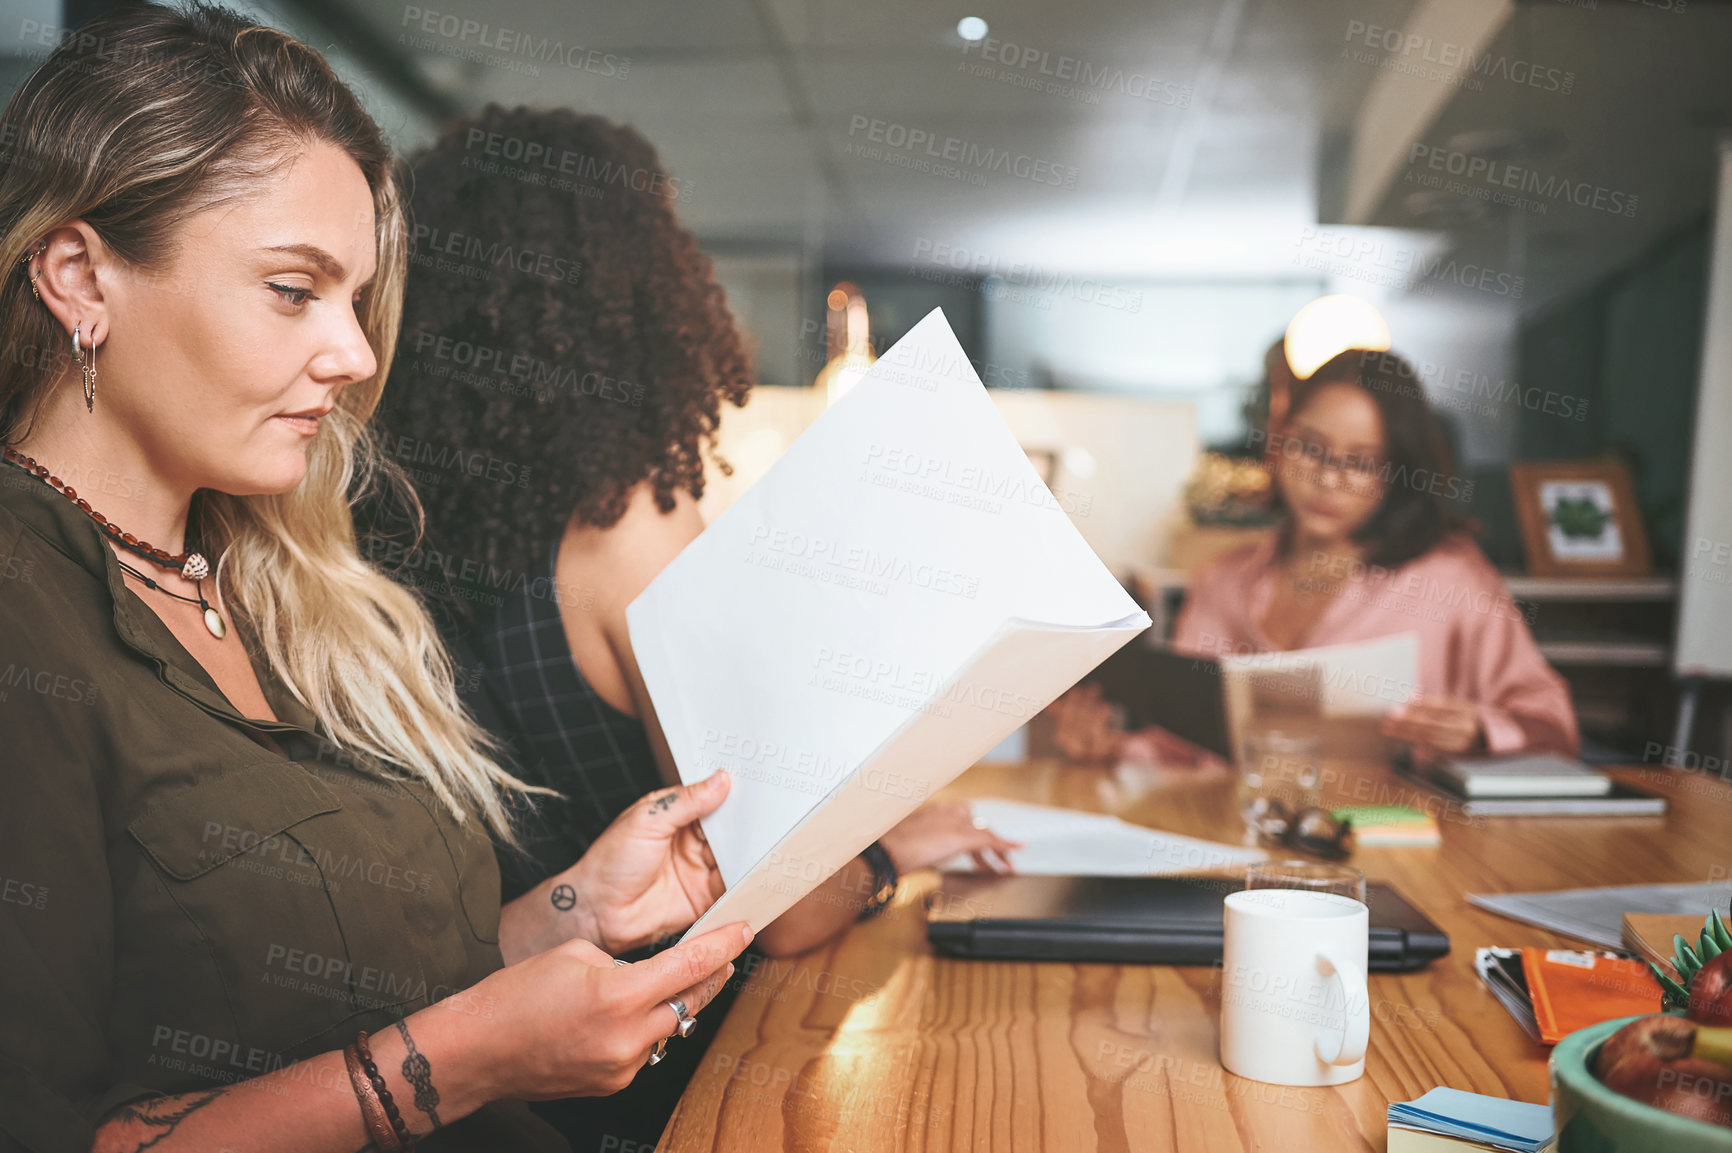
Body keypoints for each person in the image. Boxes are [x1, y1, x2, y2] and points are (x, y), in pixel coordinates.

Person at [0, 8, 752, 1153]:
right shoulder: (26, 609)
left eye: (356, 299)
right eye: (295, 291)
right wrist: (459, 1064)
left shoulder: (280, 583)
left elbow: (348, 992)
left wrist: (573, 911)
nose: (353, 354)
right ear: (79, 277)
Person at [366, 105, 1018, 1150]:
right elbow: (789, 906)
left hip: (481, 1052)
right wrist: (890, 855)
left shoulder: (393, 523)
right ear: (635, 292)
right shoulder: (627, 517)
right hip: (649, 1064)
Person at [1050, 348, 1579, 764]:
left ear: (1398, 474)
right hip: (1238, 843)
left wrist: (1479, 730)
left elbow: (1554, 727)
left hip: (1399, 851)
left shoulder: (1451, 577)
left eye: (1361, 463)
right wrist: (1112, 751)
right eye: (1310, 448)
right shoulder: (1226, 578)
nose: (1328, 478)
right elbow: (1187, 754)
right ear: (1278, 444)